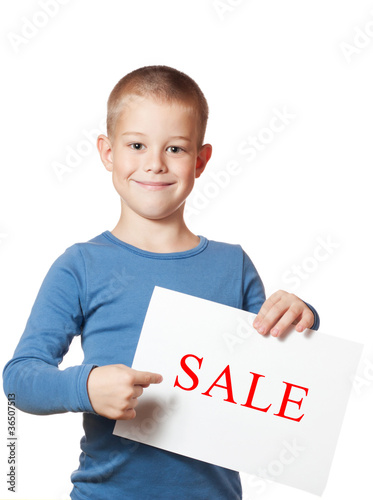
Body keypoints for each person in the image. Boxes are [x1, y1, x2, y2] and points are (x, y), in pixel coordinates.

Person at [3, 65, 320, 500]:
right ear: (108, 152)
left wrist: (302, 319)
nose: (154, 163)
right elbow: (19, 379)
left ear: (201, 161)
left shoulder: (234, 266)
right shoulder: (80, 266)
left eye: (175, 148)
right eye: (136, 145)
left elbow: (276, 385)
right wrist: (86, 387)